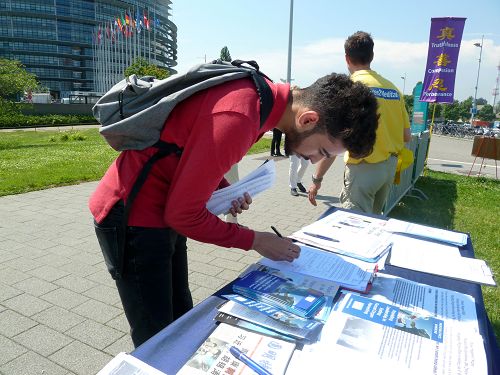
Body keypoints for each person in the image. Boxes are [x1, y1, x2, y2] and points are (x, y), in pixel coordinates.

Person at [89, 71, 379, 347]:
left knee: (180, 315)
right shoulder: (241, 115)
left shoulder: (261, 97)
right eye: (324, 152)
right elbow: (184, 215)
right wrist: (256, 240)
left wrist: (222, 189)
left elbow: (190, 147)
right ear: (308, 119)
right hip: (133, 215)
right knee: (156, 334)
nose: (316, 161)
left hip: (161, 211)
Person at [308, 31, 411, 215]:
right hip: (388, 169)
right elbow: (406, 136)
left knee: (355, 227)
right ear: (372, 56)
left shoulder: (348, 90)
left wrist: (317, 179)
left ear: (347, 58)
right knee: (375, 222)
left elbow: (334, 144)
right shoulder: (394, 89)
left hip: (363, 169)